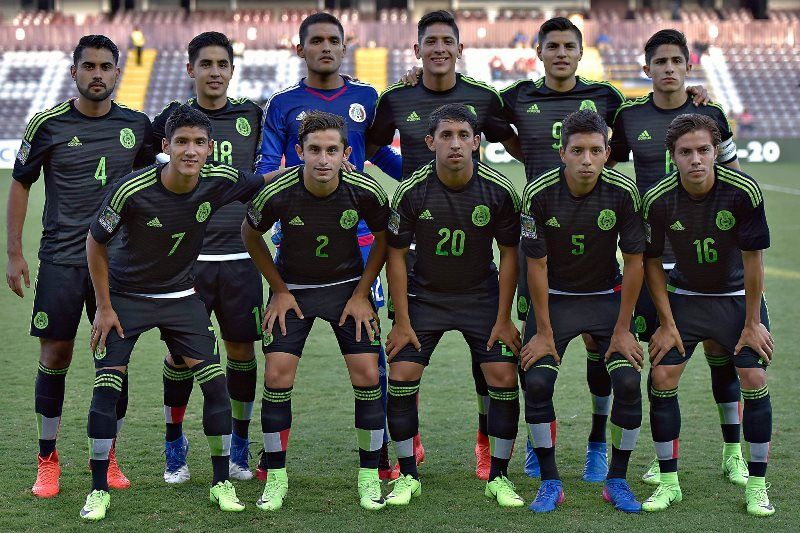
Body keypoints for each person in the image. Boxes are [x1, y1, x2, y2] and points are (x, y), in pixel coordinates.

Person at [82, 105, 268, 520]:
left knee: (216, 386)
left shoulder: (219, 180)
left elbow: (264, 180)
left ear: (210, 148)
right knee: (107, 388)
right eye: (182, 142)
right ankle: (97, 490)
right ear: (166, 146)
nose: (191, 150)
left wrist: (315, 168)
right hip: (126, 297)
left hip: (182, 296)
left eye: (199, 143)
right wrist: (104, 307)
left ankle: (220, 483)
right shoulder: (131, 189)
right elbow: (95, 242)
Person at [367, 9, 519, 481]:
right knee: (405, 358)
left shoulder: (484, 97)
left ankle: (484, 445)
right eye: (429, 41)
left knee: (488, 366)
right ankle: (408, 446)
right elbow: (370, 147)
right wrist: (404, 177)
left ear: (459, 48)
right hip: (419, 235)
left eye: (446, 41)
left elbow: (520, 141)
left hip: (472, 237)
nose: (438, 49)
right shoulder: (397, 97)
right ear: (417, 50)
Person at [256, 11, 402, 480]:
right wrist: (308, 177)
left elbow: (379, 152)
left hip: (361, 242)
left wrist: (422, 181)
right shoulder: (282, 103)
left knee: (369, 349)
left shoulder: (367, 97)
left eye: (332, 40)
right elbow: (267, 166)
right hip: (299, 236)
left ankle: (380, 449)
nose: (324, 47)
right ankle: (272, 454)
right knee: (281, 360)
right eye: (315, 40)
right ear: (300, 49)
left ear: (344, 46)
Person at [6, 34, 153, 499]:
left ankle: (108, 454)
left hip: (119, 264)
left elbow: (156, 183)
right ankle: (47, 459)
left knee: (115, 361)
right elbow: (21, 183)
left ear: (117, 73)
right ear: (74, 72)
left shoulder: (137, 125)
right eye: (88, 66)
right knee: (56, 355)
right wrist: (14, 253)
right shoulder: (47, 124)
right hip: (62, 261)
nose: (97, 74)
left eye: (105, 67)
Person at [609, 29, 746, 487]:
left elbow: (735, 177)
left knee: (721, 355)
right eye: (660, 61)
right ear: (646, 68)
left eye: (676, 61)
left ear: (688, 66)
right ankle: (663, 455)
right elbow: (607, 165)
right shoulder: (629, 116)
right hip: (653, 256)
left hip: (707, 257)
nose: (668, 68)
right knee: (662, 360)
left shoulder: (711, 113)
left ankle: (733, 452)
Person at [243, 111, 389, 511]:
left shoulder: (364, 190)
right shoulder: (278, 191)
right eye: (314, 150)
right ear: (299, 151)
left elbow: (383, 239)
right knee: (276, 374)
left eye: (331, 150)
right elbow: (250, 234)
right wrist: (278, 289)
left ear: (346, 154)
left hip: (347, 291)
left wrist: (362, 294)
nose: (323, 159)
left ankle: (368, 475)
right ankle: (275, 476)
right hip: (294, 292)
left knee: (368, 374)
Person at [385, 104, 524, 508]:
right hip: (425, 297)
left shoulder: (499, 189)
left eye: (464, 135)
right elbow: (395, 256)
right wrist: (401, 321)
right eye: (446, 136)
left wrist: (504, 317)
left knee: (502, 376)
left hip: (481, 298)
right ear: (430, 143)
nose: (456, 144)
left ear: (477, 141)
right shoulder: (412, 191)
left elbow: (510, 253)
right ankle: (407, 475)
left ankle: (498, 476)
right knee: (402, 371)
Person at [641, 114, 774, 516]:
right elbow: (651, 262)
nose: (695, 159)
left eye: (703, 150)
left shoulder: (743, 190)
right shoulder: (659, 199)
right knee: (662, 376)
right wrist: (666, 323)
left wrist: (753, 323)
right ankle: (669, 483)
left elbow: (753, 259)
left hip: (736, 299)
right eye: (686, 152)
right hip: (686, 297)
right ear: (673, 156)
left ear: (716, 152)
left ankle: (756, 483)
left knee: (753, 376)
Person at [152, 31, 265, 484]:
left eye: (222, 64)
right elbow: (141, 169)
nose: (214, 72)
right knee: (182, 356)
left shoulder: (252, 114)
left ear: (232, 70)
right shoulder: (169, 120)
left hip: (241, 257)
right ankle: (173, 441)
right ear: (190, 69)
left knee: (241, 351)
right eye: (206, 64)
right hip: (186, 262)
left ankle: (239, 443)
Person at [520, 110, 646, 513]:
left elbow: (635, 262)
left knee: (628, 383)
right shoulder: (538, 193)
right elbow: (535, 265)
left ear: (607, 153)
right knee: (537, 382)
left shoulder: (623, 192)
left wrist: (623, 328)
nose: (586, 160)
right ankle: (550, 481)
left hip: (605, 296)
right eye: (577, 151)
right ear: (563, 153)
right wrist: (543, 331)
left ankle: (616, 478)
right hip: (555, 298)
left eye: (595, 150)